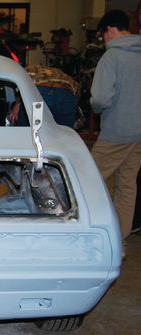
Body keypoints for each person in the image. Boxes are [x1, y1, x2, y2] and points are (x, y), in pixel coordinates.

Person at [89, 10, 141, 258]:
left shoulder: (112, 57)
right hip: (139, 133)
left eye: (103, 36)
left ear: (110, 29)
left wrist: (96, 107)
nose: (104, 41)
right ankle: (119, 243)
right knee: (127, 186)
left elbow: (100, 98)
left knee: (87, 180)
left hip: (116, 133)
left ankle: (88, 236)